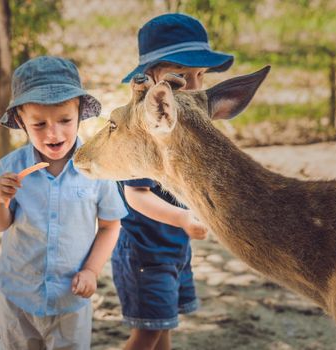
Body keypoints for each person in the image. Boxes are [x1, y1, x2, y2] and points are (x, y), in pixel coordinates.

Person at [0, 56, 127, 350]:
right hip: (18, 294)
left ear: (79, 115)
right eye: (39, 124)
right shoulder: (11, 167)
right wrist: (0, 199)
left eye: (65, 120)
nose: (54, 133)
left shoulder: (96, 169)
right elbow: (0, 223)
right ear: (22, 123)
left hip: (70, 298)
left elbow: (110, 225)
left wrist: (91, 270)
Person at [113, 13, 235, 350]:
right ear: (149, 77)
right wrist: (182, 217)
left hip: (173, 249)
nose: (194, 88)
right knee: (147, 334)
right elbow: (135, 195)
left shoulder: (182, 130)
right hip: (145, 253)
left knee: (163, 329)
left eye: (199, 75)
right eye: (180, 77)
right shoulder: (143, 130)